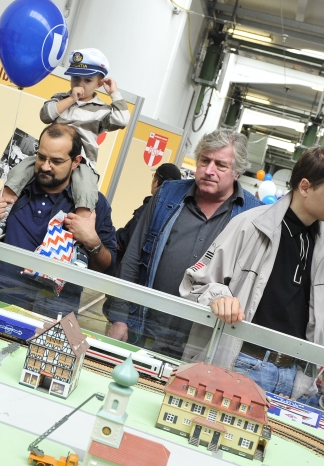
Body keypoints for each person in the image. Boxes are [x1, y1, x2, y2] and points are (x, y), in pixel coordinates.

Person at [179, 147, 324, 396]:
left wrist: (305, 380)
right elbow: (195, 283)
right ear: (305, 186)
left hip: (292, 378)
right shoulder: (250, 226)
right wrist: (219, 297)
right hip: (241, 364)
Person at [108, 130, 260, 356]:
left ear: (236, 172)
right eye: (205, 160)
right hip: (143, 326)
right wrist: (119, 317)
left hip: (202, 341)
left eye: (220, 165)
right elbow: (133, 257)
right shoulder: (167, 195)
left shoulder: (252, 214)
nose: (209, 171)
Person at [0, 48, 129, 263]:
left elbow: (122, 120)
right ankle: (0, 222)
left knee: (85, 192)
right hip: (50, 150)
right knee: (21, 168)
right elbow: (46, 114)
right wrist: (71, 98)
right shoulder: (61, 99)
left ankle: (77, 247)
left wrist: (114, 93)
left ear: (99, 83)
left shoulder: (100, 110)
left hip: (83, 164)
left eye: (87, 81)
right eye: (75, 78)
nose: (79, 84)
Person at [0, 124, 116, 317]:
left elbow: (108, 267)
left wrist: (92, 242)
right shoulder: (17, 189)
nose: (46, 167)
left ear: (75, 161)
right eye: (41, 157)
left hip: (50, 315)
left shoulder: (94, 206)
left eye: (56, 161)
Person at [113, 162, 183, 272]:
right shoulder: (177, 214)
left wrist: (117, 237)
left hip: (131, 271)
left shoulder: (148, 209)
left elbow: (129, 240)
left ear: (156, 183)